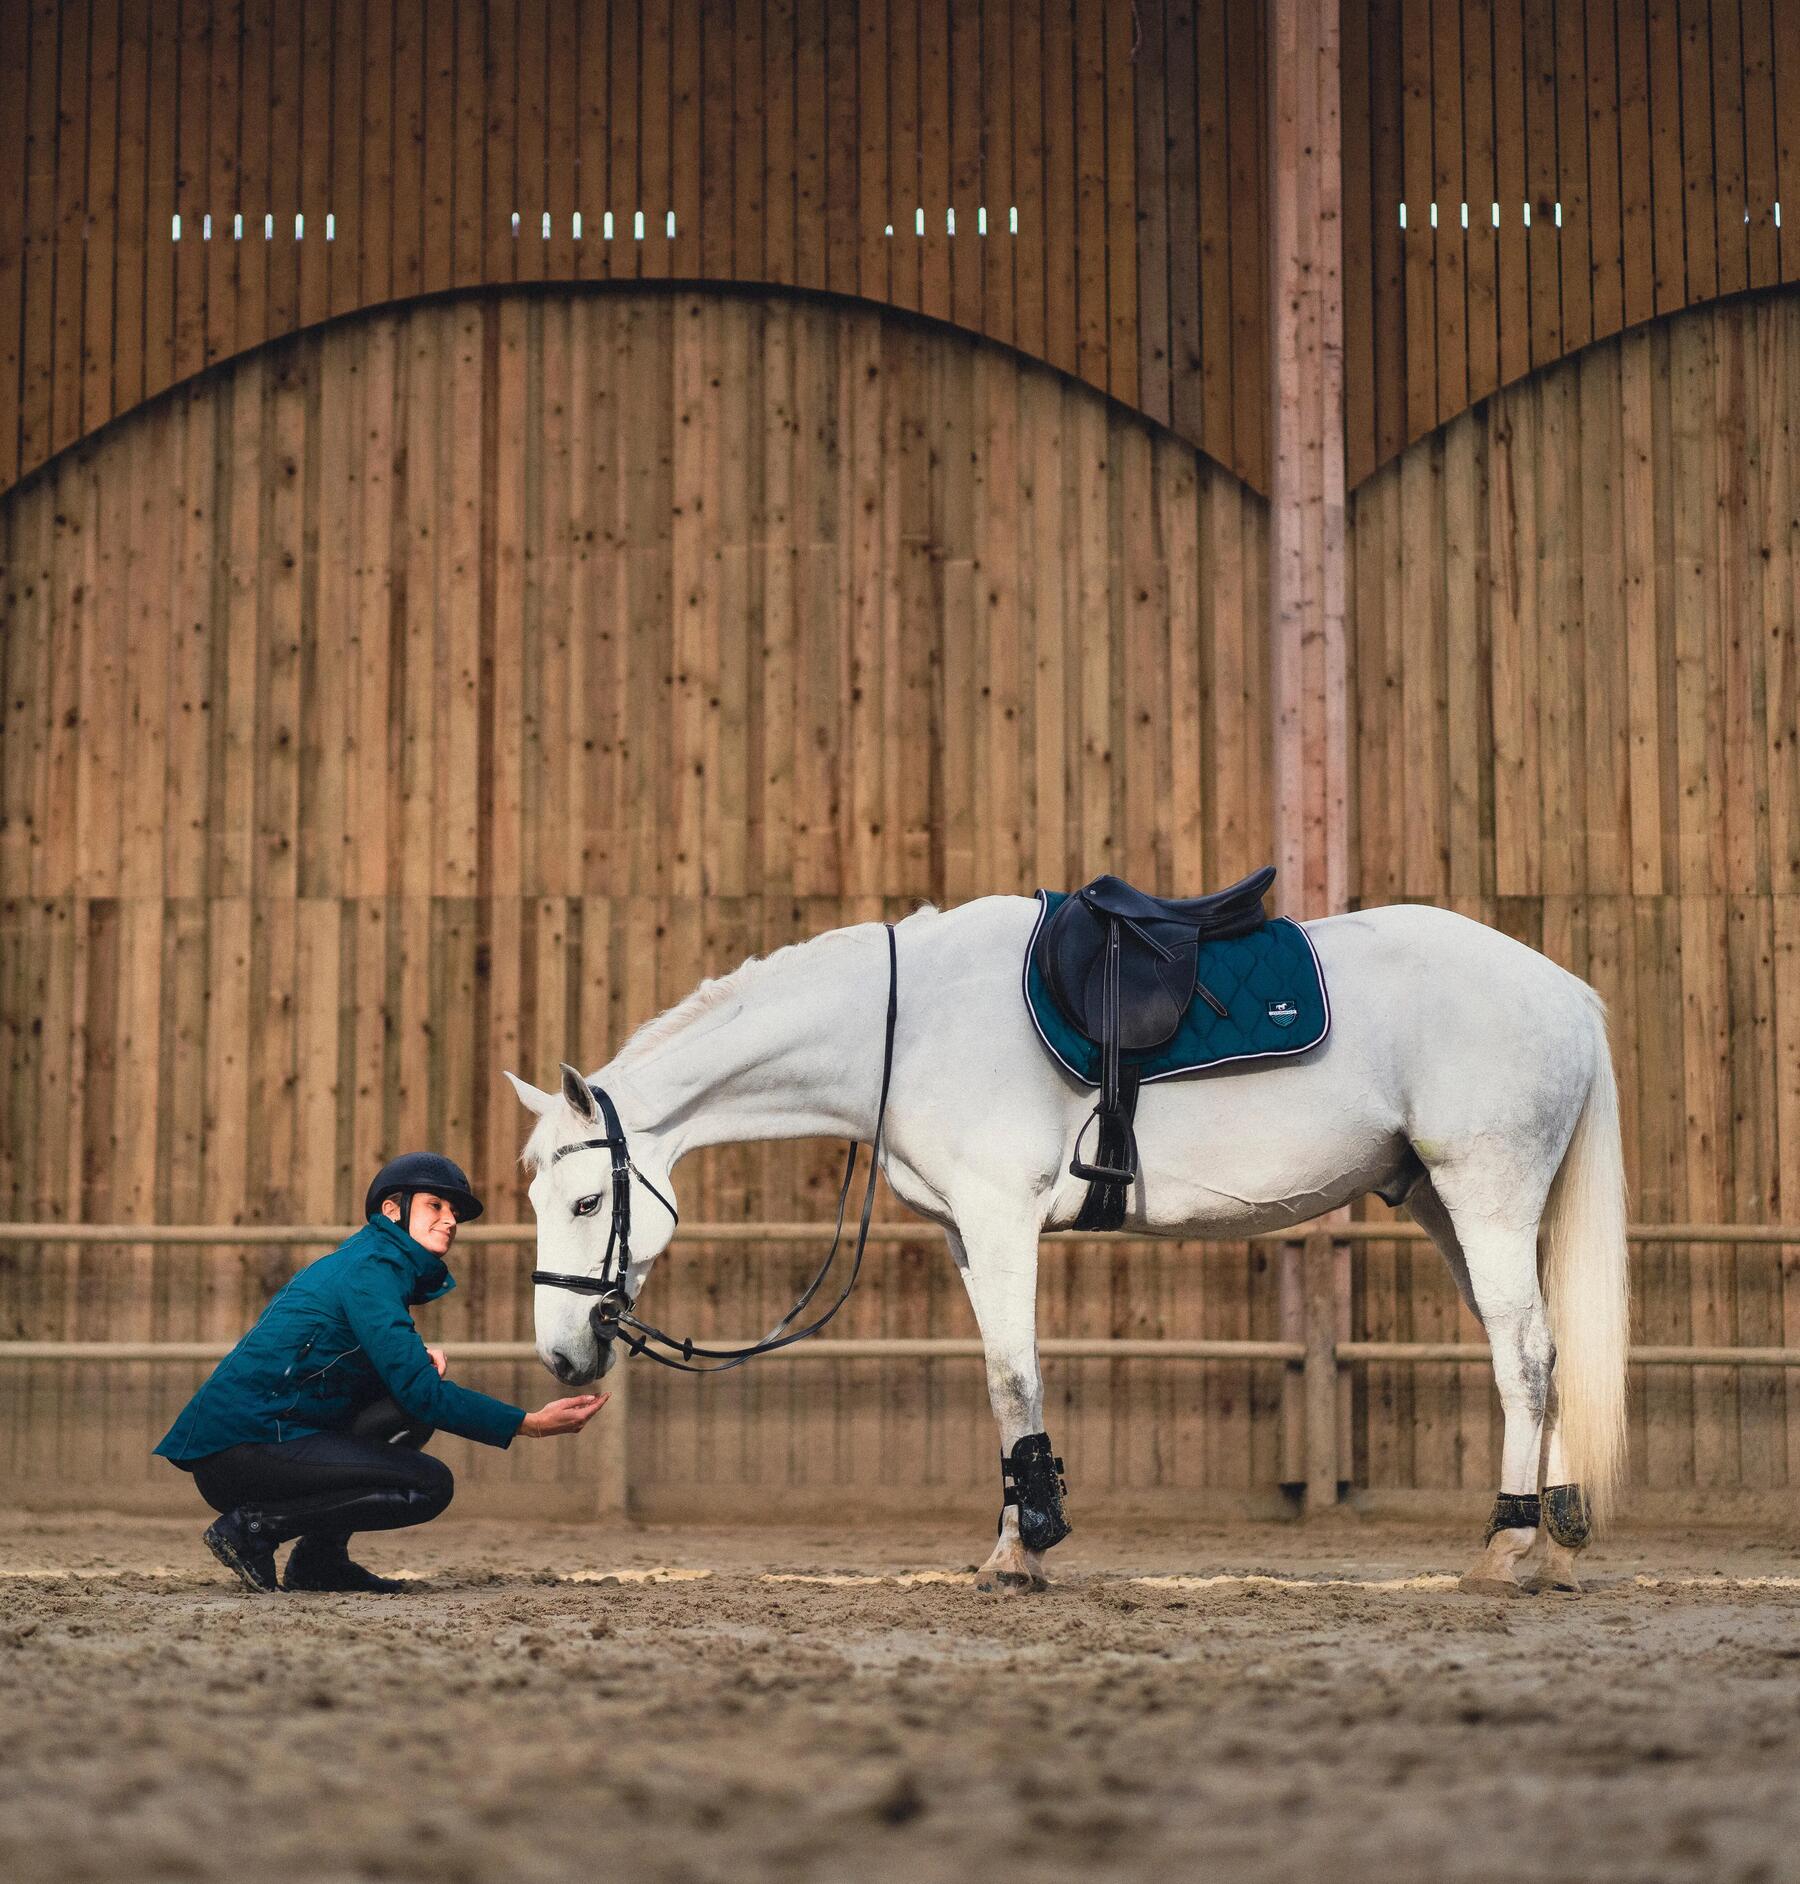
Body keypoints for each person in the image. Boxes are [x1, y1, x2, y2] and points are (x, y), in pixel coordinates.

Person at [154, 1152, 606, 1594]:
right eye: (436, 1206)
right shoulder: (371, 1270)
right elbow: (424, 1393)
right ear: (392, 1210)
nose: (450, 1220)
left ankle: (320, 1561)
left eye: (454, 1213)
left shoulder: (374, 1262)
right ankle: (255, 1528)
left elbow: (361, 1381)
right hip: (243, 1450)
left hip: (269, 1439)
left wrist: (405, 1366)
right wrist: (530, 1425)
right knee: (429, 1484)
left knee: (409, 1412)